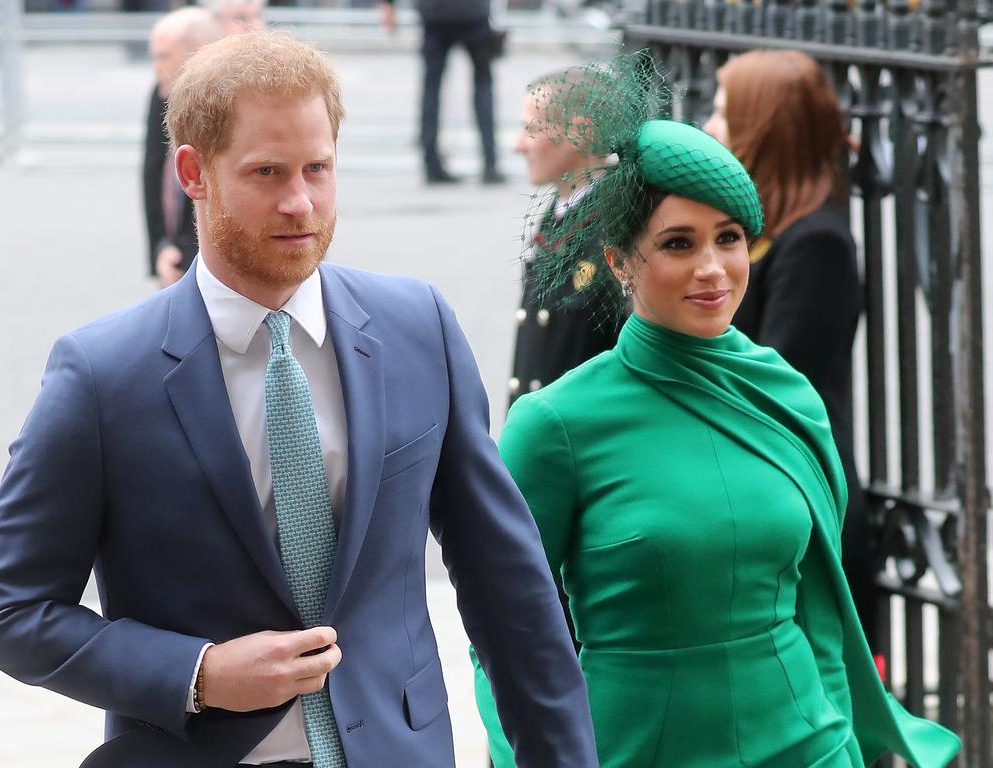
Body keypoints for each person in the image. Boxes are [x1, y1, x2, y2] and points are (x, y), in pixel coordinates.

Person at [0, 32, 597, 768]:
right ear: (192, 173)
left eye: (317, 169)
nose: (300, 202)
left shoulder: (417, 327)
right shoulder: (102, 374)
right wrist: (196, 675)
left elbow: (510, 590)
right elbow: (4, 608)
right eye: (267, 172)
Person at [472, 56, 960, 768]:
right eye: (679, 243)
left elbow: (821, 611)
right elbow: (503, 631)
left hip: (807, 746)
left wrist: (845, 741)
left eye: (729, 238)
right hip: (635, 749)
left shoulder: (785, 392)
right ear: (619, 261)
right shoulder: (556, 424)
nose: (713, 268)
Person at [703, 49, 877, 651]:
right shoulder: (763, 228)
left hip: (799, 501)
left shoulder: (817, 242)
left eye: (725, 114)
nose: (710, 128)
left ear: (764, 127)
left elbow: (775, 382)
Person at [506, 71, 620, 410]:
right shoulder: (561, 212)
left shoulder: (611, 226)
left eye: (532, 129)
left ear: (581, 132)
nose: (518, 145)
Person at [378, 0, 505, 185]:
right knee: (483, 84)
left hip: (434, 13)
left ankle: (431, 163)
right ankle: (490, 163)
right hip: (473, 13)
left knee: (431, 90)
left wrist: (388, 5)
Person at [143, 6, 220, 287]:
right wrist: (160, 248)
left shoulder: (234, 104)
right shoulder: (161, 91)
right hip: (174, 256)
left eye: (164, 56)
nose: (156, 66)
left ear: (197, 52)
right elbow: (152, 174)